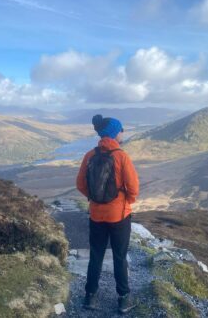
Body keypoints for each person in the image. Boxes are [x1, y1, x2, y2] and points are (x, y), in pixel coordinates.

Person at [76, 114, 139, 314]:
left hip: (96, 215)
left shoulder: (90, 155)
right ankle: (123, 299)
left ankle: (90, 297)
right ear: (114, 133)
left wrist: (95, 199)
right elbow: (134, 188)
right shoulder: (121, 156)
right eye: (121, 129)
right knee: (119, 257)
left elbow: (80, 184)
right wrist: (125, 202)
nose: (123, 132)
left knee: (96, 255)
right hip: (119, 216)